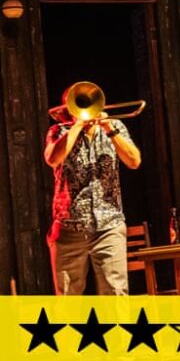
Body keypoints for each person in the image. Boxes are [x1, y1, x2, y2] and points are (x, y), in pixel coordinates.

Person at [43, 87, 142, 295]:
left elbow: (134, 161)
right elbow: (52, 159)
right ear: (68, 108)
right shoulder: (58, 131)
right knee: (68, 298)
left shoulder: (115, 126)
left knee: (116, 293)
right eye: (77, 104)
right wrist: (77, 126)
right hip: (69, 227)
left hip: (109, 224)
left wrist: (109, 129)